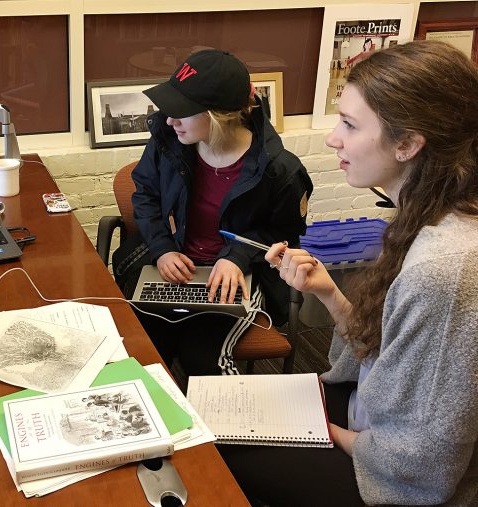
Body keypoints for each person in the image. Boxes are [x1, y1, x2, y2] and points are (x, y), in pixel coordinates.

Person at [221, 40, 478, 506]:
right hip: (373, 420)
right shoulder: (429, 216)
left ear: (408, 144)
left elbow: (426, 459)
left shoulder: (445, 268)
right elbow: (389, 353)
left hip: (400, 479)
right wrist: (327, 292)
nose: (331, 138)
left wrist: (333, 435)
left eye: (350, 124)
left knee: (220, 453)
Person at [117, 49, 312, 376]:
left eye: (182, 111)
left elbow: (282, 237)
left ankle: (221, 425)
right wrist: (162, 249)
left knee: (203, 359)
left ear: (220, 116)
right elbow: (146, 195)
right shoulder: (169, 139)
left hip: (238, 274)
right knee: (141, 354)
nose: (169, 120)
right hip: (175, 264)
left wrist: (236, 256)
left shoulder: (280, 170)